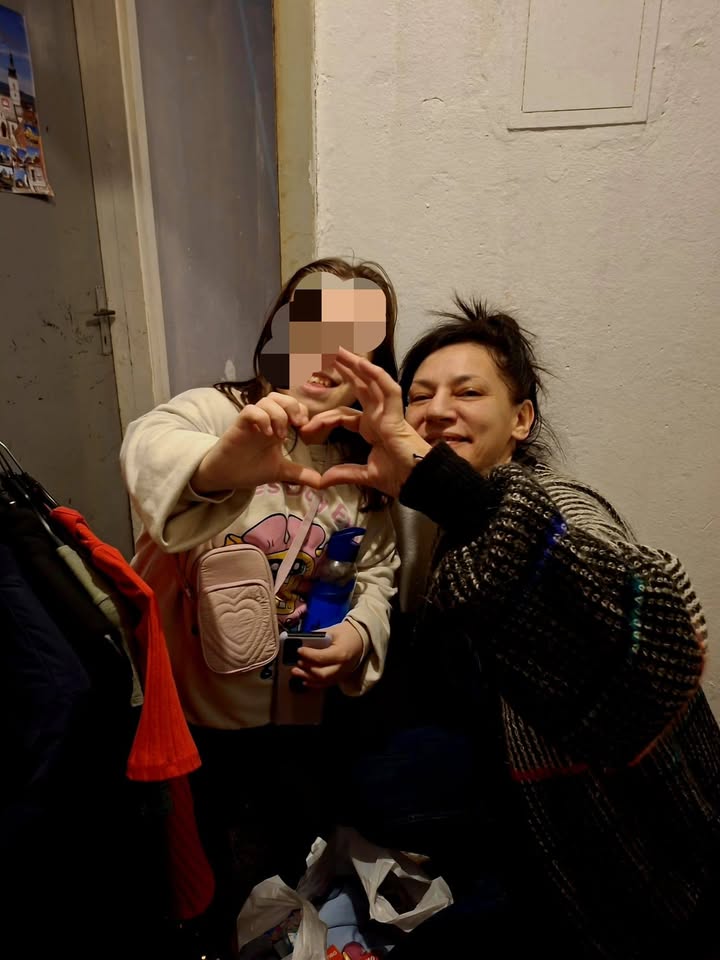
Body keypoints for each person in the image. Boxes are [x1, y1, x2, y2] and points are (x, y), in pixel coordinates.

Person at [309, 297, 720, 960]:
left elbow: (670, 635)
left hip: (623, 858)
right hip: (507, 827)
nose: (437, 410)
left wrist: (437, 478)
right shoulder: (443, 524)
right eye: (420, 396)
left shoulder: (558, 505)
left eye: (468, 392)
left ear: (521, 420)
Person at [119, 256, 400, 956]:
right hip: (197, 714)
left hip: (303, 715)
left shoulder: (360, 464)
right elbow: (151, 446)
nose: (329, 355)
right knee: (196, 868)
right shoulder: (221, 414)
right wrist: (221, 467)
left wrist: (359, 634)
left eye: (354, 343)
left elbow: (377, 571)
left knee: (287, 858)